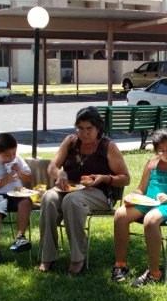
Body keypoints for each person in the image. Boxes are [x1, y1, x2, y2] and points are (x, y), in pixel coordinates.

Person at [38, 106, 130, 275]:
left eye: (89, 129)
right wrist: (60, 173)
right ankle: (48, 255)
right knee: (48, 198)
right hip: (70, 188)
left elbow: (125, 178)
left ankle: (77, 257)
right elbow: (52, 166)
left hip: (101, 193)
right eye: (80, 128)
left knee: (71, 201)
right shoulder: (70, 141)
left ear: (98, 129)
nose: (84, 133)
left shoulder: (108, 147)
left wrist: (105, 178)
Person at [112, 128, 167, 286]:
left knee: (151, 219)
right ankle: (120, 265)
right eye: (161, 150)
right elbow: (141, 188)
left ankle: (154, 272)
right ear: (156, 151)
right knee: (120, 214)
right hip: (149, 202)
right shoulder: (152, 164)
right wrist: (132, 196)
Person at [0, 133, 33, 266]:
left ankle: (20, 237)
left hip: (16, 193)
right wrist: (3, 181)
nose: (11, 157)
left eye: (14, 153)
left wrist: (20, 173)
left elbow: (29, 177)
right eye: (7, 155)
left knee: (26, 202)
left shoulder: (17, 160)